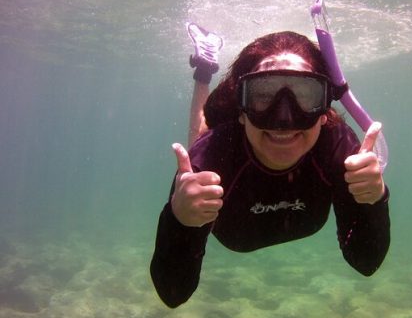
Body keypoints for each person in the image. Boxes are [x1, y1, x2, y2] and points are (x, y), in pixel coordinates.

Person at [150, 31, 390, 308]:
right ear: (241, 109)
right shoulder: (209, 159)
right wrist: (179, 219)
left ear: (324, 109)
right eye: (263, 95)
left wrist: (374, 199)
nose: (284, 119)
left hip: (237, 226)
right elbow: (172, 294)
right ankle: (205, 67)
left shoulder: (339, 147)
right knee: (202, 138)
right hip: (224, 160)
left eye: (304, 95)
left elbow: (366, 261)